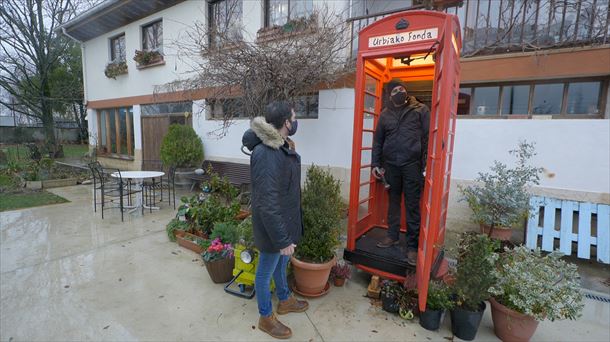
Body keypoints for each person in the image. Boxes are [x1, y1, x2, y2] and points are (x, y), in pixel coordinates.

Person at [241, 101, 308, 339]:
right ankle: (265, 317)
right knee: (265, 270)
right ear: (286, 123)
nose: (296, 120)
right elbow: (267, 202)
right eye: (294, 117)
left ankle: (285, 299)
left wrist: (289, 149)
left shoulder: (279, 146)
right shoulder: (266, 153)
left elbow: (284, 186)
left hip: (284, 220)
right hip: (273, 227)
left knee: (282, 263)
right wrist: (281, 238)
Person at [371, 79, 430, 266]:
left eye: (402, 88)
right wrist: (375, 164)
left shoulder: (420, 110)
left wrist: (426, 164)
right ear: (389, 95)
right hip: (391, 166)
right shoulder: (385, 115)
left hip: (412, 165)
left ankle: (413, 247)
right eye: (395, 90)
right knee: (393, 203)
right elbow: (378, 141)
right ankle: (392, 236)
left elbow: (428, 138)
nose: (400, 91)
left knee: (412, 206)